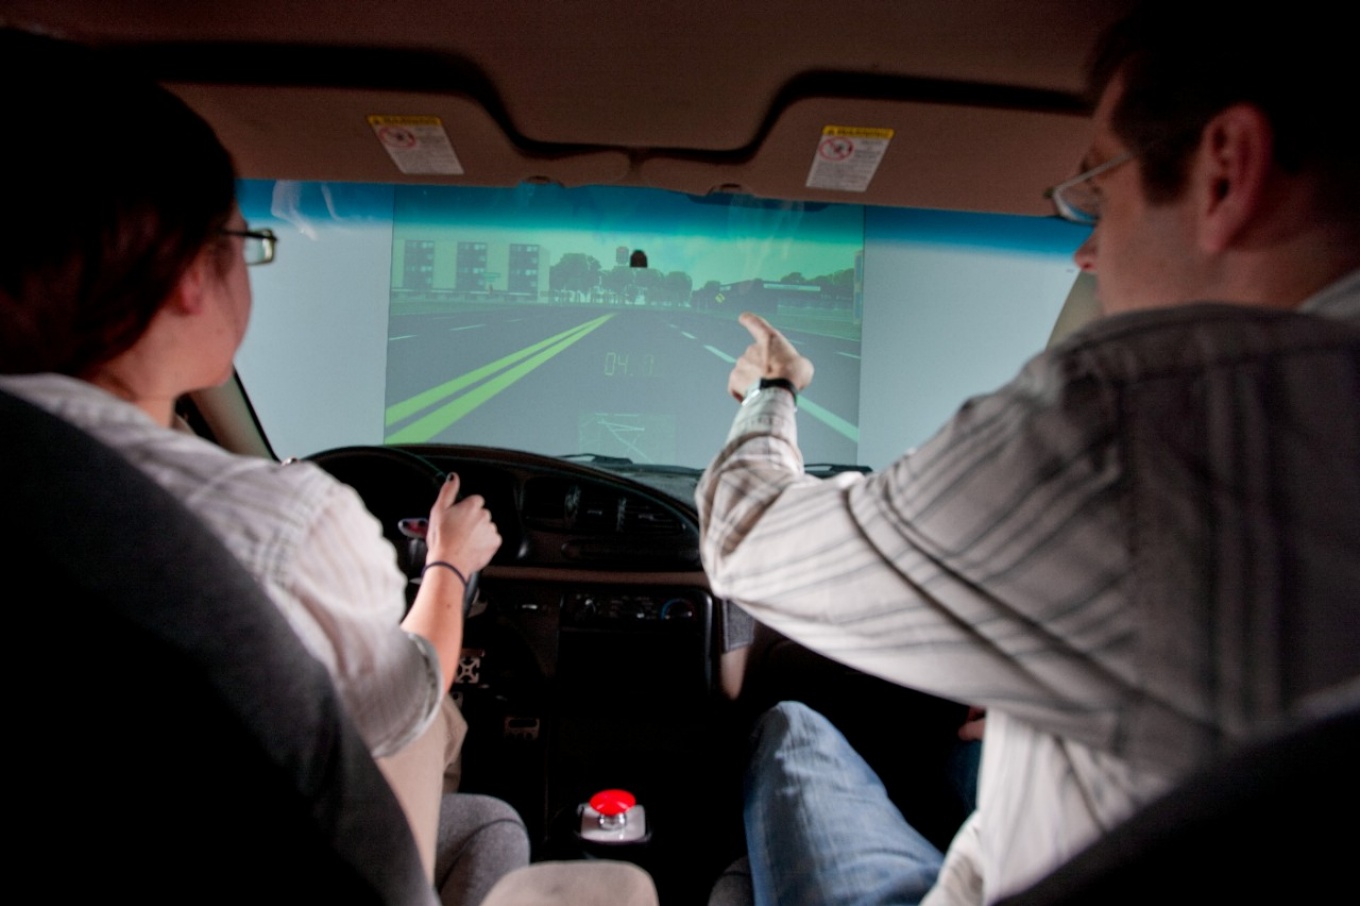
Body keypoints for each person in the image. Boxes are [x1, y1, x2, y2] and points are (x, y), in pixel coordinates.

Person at [696, 4, 1360, 904]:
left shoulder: (1136, 425)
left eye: (1100, 192)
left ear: (1225, 171)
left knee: (791, 734)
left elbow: (745, 537)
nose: (1086, 250)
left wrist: (772, 395)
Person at [0, 29, 524, 899]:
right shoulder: (286, 522)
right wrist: (447, 567)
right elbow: (401, 708)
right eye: (242, 240)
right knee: (490, 812)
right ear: (187, 278)